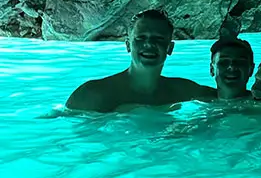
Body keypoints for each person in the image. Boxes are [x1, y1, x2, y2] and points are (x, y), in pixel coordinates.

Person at [66, 9, 215, 112]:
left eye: (158, 39)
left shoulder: (183, 91)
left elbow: (230, 98)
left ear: (169, 48)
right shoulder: (93, 94)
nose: (149, 44)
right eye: (141, 38)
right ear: (128, 45)